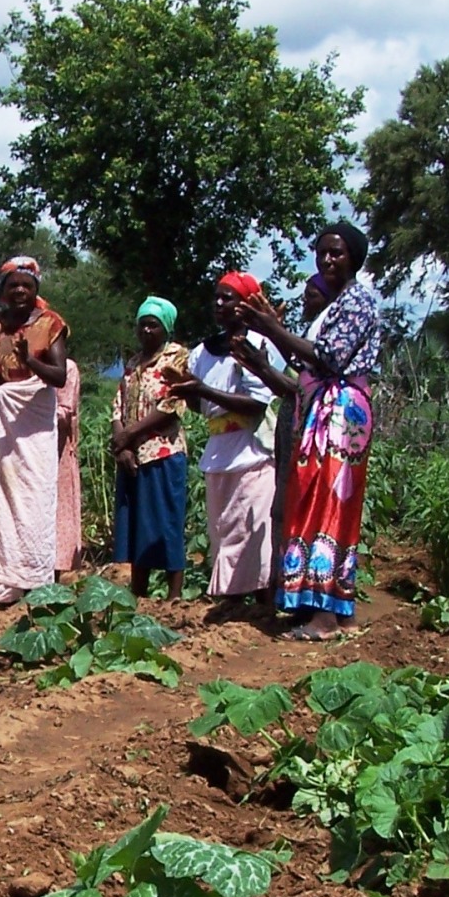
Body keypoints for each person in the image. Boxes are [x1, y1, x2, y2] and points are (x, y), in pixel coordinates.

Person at [236, 221, 383, 640]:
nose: (328, 259)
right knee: (316, 499)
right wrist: (266, 340)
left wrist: (271, 329)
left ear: (354, 258)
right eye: (322, 253)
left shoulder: (358, 302)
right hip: (324, 408)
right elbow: (305, 363)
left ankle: (325, 618)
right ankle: (326, 607)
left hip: (342, 410)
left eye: (337, 253)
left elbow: (328, 359)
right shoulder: (337, 307)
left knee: (330, 502)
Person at [168, 272, 280, 606]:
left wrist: (202, 389)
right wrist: (185, 389)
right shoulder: (203, 351)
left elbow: (258, 403)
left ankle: (264, 601)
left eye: (228, 298)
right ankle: (231, 599)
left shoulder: (259, 346)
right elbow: (203, 406)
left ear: (246, 304)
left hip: (253, 447)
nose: (219, 304)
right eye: (216, 297)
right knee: (224, 529)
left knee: (254, 525)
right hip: (220, 448)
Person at [0, 256, 69, 605]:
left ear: (35, 290)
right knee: (2, 500)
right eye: (13, 285)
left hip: (34, 422)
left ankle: (35, 582)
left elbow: (58, 376)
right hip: (5, 420)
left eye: (26, 285)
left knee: (34, 500)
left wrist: (29, 360)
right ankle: (1, 586)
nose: (20, 291)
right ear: (2, 291)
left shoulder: (50, 324)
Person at [112, 296, 191, 601]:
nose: (146, 330)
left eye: (153, 325)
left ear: (166, 328)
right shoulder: (132, 363)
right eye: (142, 324)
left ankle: (174, 595)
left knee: (166, 520)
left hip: (163, 453)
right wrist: (123, 446)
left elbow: (171, 405)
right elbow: (117, 406)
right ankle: (139, 593)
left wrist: (129, 434)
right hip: (133, 456)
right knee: (137, 525)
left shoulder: (177, 357)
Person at [54, 345, 85, 576]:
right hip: (27, 456)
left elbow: (64, 413)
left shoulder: (67, 369)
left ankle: (54, 575)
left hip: (58, 453)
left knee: (58, 510)